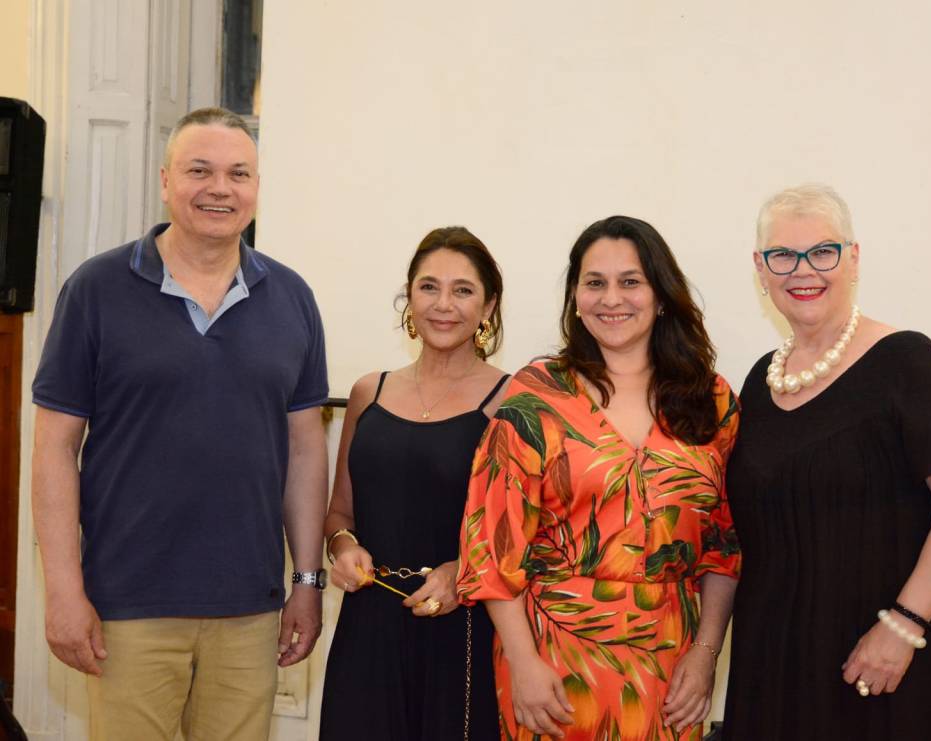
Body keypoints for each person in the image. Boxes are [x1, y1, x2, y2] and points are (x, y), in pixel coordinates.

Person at [31, 107, 329, 741]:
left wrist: (306, 581)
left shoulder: (293, 298)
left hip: (249, 610)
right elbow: (54, 449)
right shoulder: (96, 289)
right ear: (166, 181)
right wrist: (62, 590)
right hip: (126, 607)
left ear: (255, 187)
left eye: (238, 173)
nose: (220, 188)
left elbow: (305, 451)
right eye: (200, 170)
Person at [722, 183, 931, 740]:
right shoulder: (760, 380)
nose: (804, 270)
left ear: (853, 257)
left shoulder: (907, 361)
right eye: (782, 255)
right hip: (773, 659)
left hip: (881, 664)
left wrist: (902, 626)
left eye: (823, 251)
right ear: (760, 268)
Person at [457, 215, 740, 741]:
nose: (612, 299)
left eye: (630, 281)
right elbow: (491, 546)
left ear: (661, 296)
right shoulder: (536, 395)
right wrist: (522, 662)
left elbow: (725, 547)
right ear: (575, 297)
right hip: (551, 663)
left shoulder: (712, 400)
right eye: (595, 282)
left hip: (672, 666)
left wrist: (706, 654)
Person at [319, 226, 507, 740]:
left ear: (488, 306)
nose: (443, 304)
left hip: (463, 630)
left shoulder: (513, 402)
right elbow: (339, 514)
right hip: (368, 629)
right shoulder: (368, 392)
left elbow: (527, 537)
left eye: (463, 290)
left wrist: (463, 572)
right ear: (409, 297)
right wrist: (342, 547)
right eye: (429, 287)